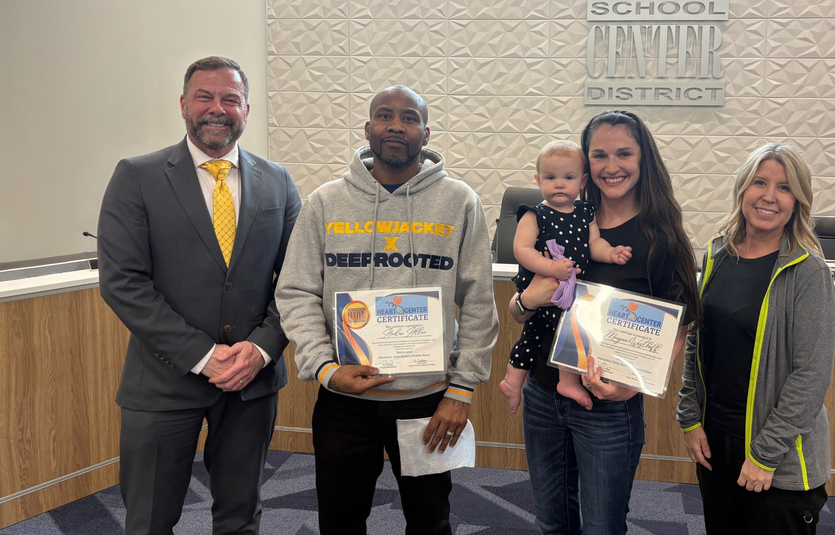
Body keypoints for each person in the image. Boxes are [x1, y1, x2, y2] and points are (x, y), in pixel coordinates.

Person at [274, 85, 499, 535]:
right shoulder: (325, 202)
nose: (396, 125)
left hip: (428, 403)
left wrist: (461, 391)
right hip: (344, 400)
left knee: (430, 522)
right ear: (368, 129)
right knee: (340, 522)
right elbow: (295, 291)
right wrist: (322, 367)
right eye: (385, 115)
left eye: (409, 118)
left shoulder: (460, 202)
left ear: (426, 133)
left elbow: (478, 300)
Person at [97, 56, 301, 534]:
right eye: (205, 97)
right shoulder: (137, 177)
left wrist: (261, 349)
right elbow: (123, 282)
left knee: (240, 517)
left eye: (230, 99)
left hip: (251, 382)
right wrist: (203, 356)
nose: (217, 108)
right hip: (163, 382)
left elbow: (297, 282)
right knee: (149, 520)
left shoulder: (278, 181)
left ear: (246, 110)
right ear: (184, 105)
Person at [511, 110, 702, 534]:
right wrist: (525, 300)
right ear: (584, 165)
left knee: (602, 527)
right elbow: (518, 308)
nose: (611, 166)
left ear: (643, 158)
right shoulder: (558, 215)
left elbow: (680, 324)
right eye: (599, 155)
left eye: (624, 154)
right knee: (551, 522)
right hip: (544, 393)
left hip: (609, 407)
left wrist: (636, 383)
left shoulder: (660, 236)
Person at [676, 143, 835, 534]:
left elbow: (811, 377)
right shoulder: (717, 254)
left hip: (776, 455)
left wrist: (764, 456)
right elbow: (699, 340)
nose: (769, 196)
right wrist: (690, 417)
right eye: (759, 182)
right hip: (716, 442)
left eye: (784, 188)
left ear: (798, 201)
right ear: (742, 189)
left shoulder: (808, 272)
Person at [499, 140, 632, 413]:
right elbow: (521, 250)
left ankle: (560, 381)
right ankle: (514, 381)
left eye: (568, 177)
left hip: (571, 289)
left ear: (582, 181)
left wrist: (611, 254)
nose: (559, 184)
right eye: (550, 177)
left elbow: (594, 244)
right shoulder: (535, 214)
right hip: (545, 284)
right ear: (538, 180)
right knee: (534, 334)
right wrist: (552, 269)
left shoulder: (585, 213)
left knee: (569, 333)